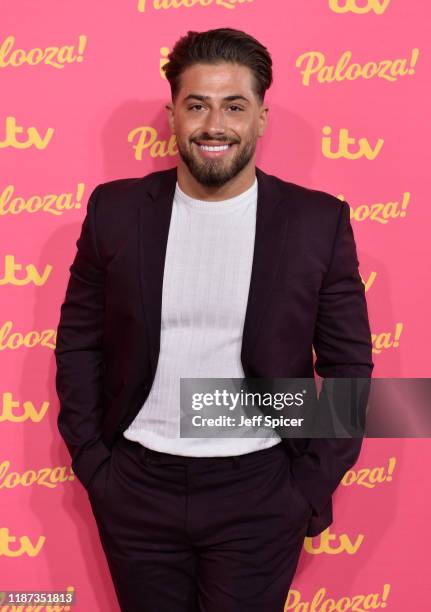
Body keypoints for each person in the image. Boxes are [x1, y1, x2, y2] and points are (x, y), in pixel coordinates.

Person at [54, 27, 373, 612]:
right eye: (196, 105)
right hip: (135, 485)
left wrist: (307, 485)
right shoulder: (115, 211)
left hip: (260, 488)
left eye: (234, 106)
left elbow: (350, 365)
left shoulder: (316, 222)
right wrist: (94, 464)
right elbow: (79, 344)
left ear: (260, 118)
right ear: (173, 114)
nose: (214, 125)